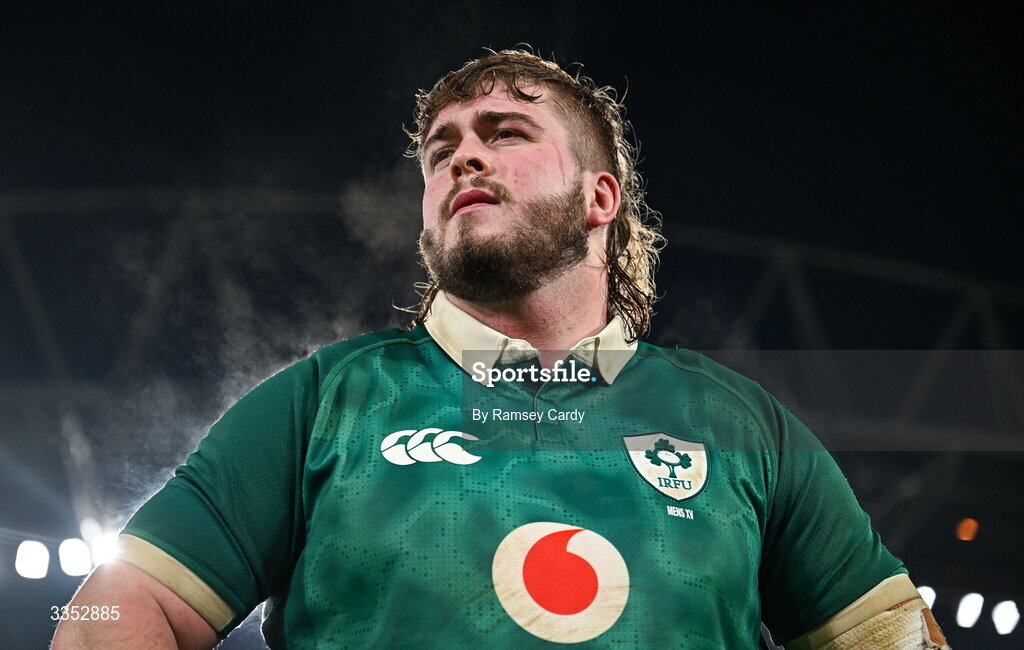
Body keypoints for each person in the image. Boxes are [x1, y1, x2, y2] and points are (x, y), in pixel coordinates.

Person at [53, 50, 950, 649]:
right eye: (441, 151)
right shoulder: (324, 401)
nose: (460, 161)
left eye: (504, 134)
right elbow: (111, 607)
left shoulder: (745, 427)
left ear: (601, 199)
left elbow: (893, 637)